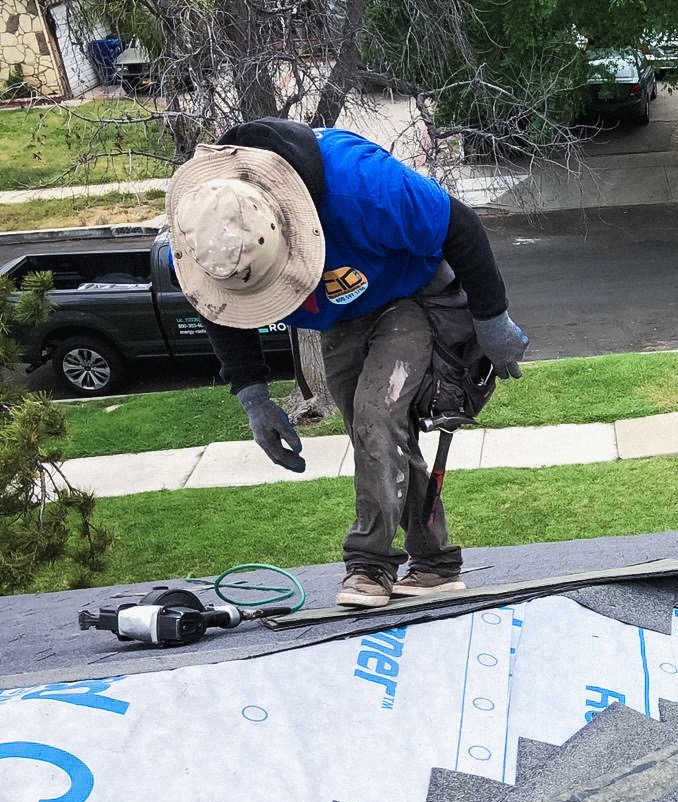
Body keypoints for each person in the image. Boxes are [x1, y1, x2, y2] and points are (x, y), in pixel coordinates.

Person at [164, 117, 529, 609]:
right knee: (373, 432)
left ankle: (369, 564)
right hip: (339, 318)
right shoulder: (205, 231)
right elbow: (218, 307)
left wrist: (493, 323)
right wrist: (253, 396)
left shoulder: (362, 184)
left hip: (411, 294)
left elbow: (459, 226)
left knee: (379, 415)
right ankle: (436, 563)